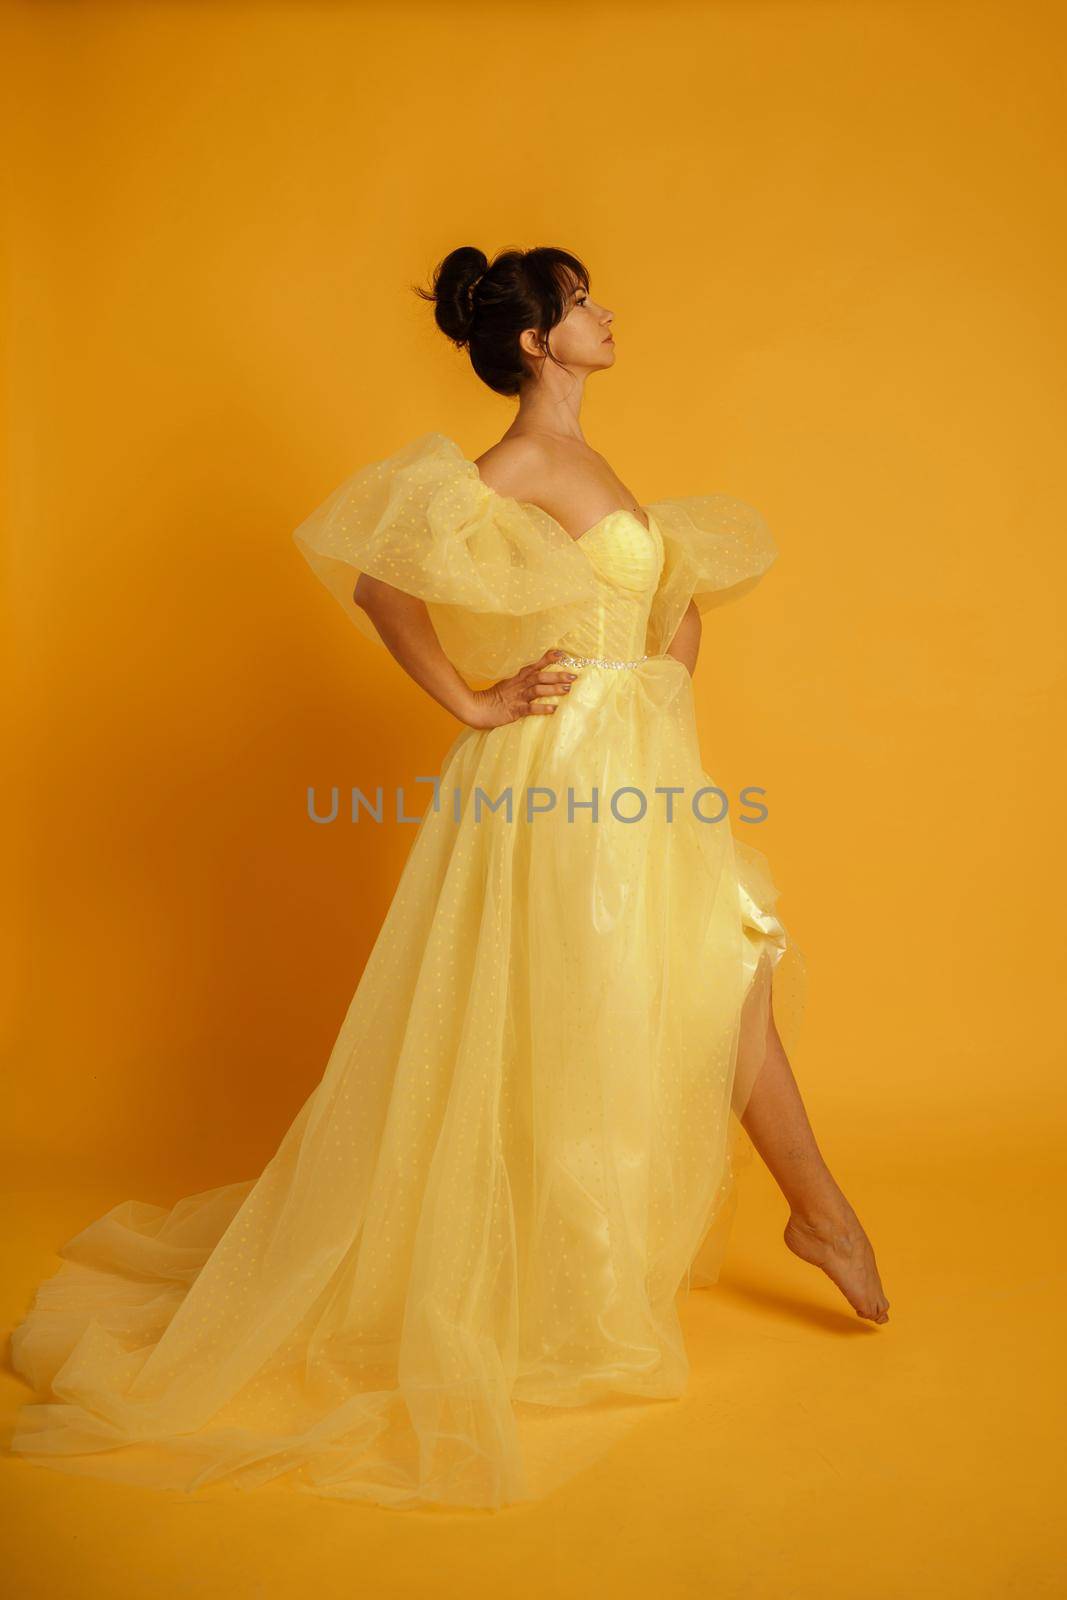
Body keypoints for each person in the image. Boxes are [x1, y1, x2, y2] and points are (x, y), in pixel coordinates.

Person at [9, 244, 888, 1512]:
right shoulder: (523, 461)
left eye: (590, 297)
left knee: (713, 964)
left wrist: (663, 645)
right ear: (534, 344)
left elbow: (640, 602)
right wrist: (478, 700)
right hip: (567, 777)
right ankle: (813, 1218)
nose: (603, 312)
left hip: (633, 763)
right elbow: (383, 582)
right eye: (581, 302)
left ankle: (817, 1214)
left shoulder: (590, 457)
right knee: (678, 980)